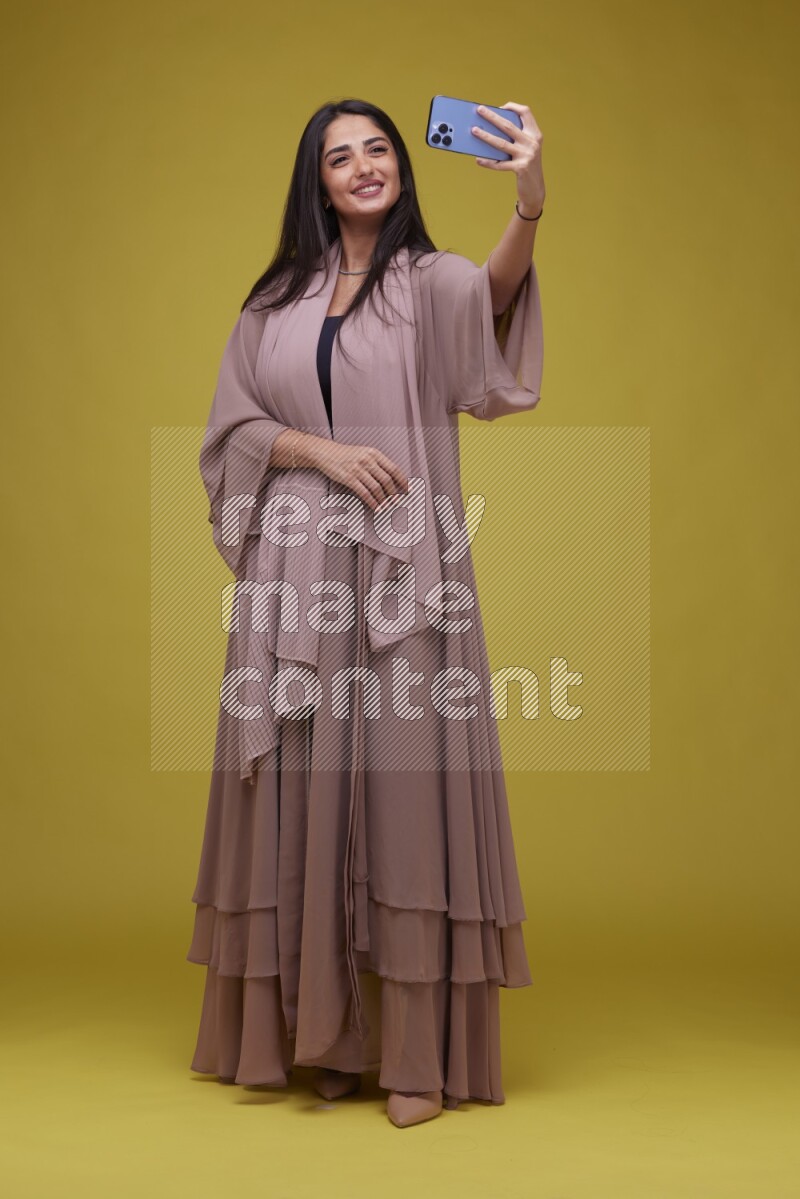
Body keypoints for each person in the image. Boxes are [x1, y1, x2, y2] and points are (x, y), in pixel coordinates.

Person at [186, 96, 546, 1129]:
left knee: (401, 793)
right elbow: (234, 426)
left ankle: (414, 1054)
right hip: (291, 575)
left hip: (400, 574)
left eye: (377, 149)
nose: (362, 166)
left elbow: (491, 309)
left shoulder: (427, 284)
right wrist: (321, 451)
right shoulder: (276, 297)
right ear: (318, 179)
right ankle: (323, 1037)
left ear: (401, 165)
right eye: (340, 156)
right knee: (303, 788)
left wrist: (526, 199)